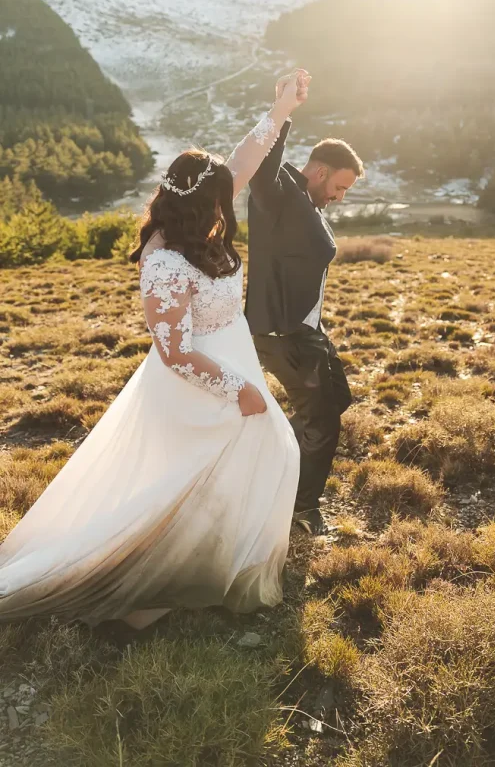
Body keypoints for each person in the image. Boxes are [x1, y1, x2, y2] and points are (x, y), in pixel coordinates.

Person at [0, 70, 310, 631]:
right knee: (215, 470)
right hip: (199, 380)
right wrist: (239, 390)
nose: (229, 205)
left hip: (232, 357)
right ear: (201, 205)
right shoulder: (164, 261)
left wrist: (281, 107)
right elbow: (175, 352)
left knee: (243, 465)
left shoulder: (199, 220)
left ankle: (205, 562)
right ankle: (158, 579)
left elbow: (242, 161)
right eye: (221, 200)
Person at [246, 111, 364, 536]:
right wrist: (283, 111)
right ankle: (299, 508)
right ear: (318, 171)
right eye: (339, 187)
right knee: (322, 420)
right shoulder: (280, 196)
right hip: (283, 334)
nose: (340, 196)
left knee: (337, 400)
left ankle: (271, 457)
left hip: (308, 331)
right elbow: (261, 170)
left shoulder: (308, 202)